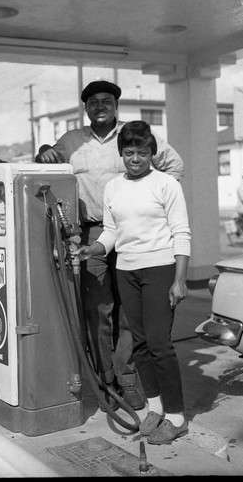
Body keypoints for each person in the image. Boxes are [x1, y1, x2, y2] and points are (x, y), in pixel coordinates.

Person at [35, 80, 184, 411]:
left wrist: (152, 198)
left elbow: (174, 167)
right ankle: (106, 381)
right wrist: (44, 148)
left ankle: (128, 379)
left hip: (133, 234)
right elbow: (46, 165)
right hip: (91, 236)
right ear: (86, 108)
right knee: (99, 311)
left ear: (116, 106)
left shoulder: (135, 135)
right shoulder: (72, 140)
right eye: (93, 102)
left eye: (107, 101)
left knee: (130, 314)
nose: (100, 106)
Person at [77, 120, 191, 444]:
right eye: (129, 152)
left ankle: (178, 417)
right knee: (139, 343)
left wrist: (180, 280)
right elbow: (111, 232)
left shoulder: (167, 184)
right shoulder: (113, 187)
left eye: (142, 151)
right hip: (126, 271)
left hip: (160, 268)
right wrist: (94, 248)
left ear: (152, 152)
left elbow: (181, 233)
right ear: (122, 154)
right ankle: (154, 409)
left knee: (159, 344)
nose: (136, 158)